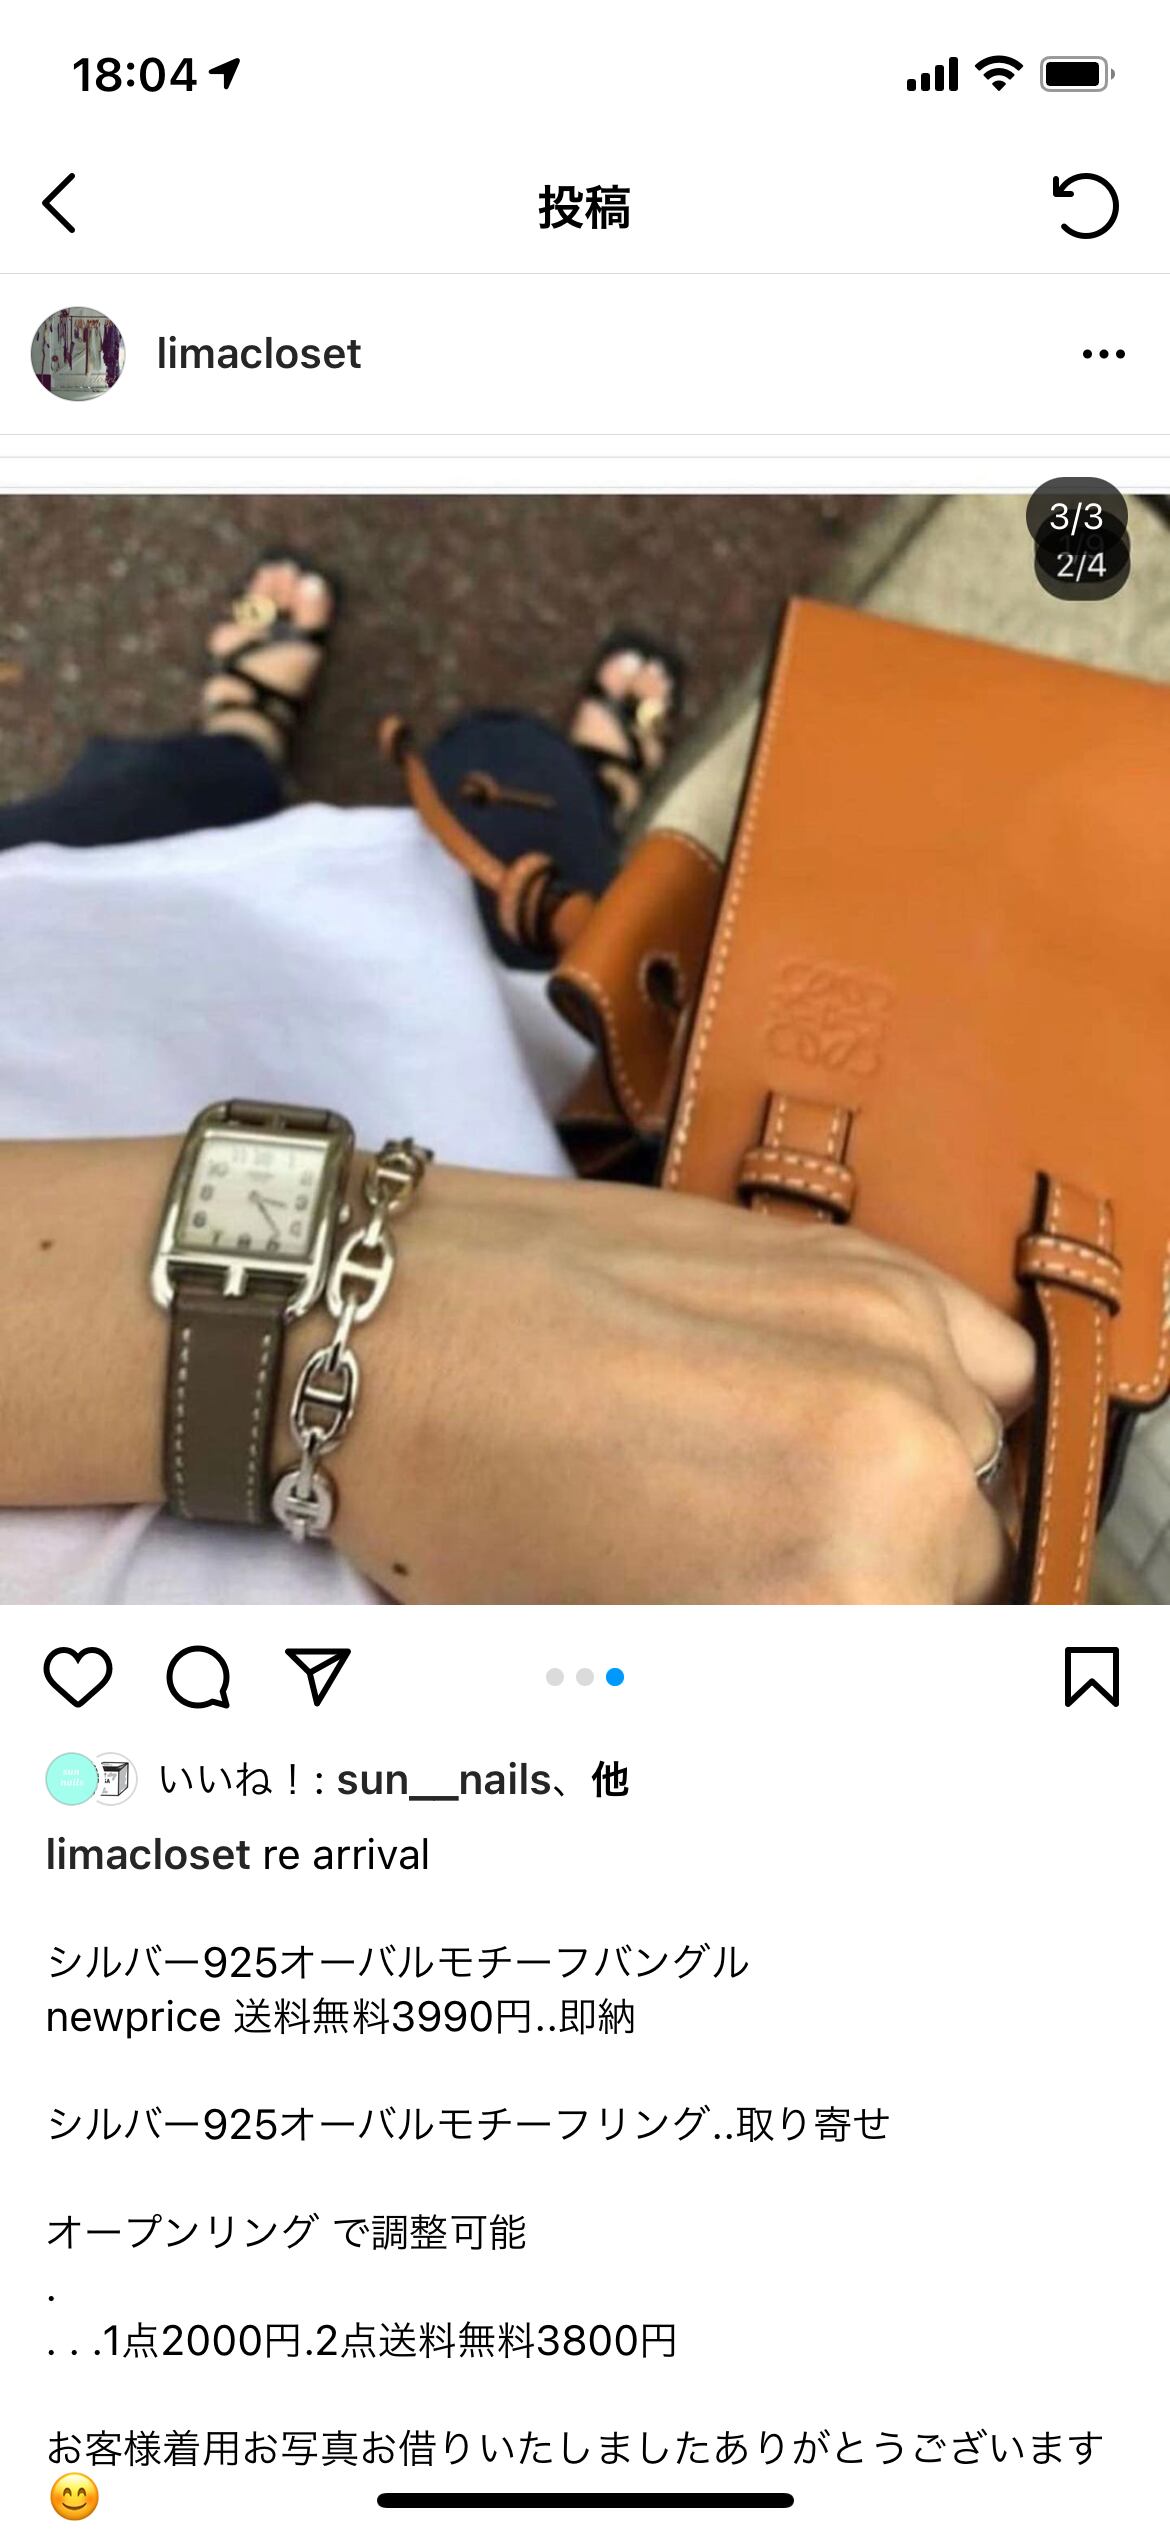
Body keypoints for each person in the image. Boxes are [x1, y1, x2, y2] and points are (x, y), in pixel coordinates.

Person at [0, 560, 1031, 1605]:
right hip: (533, 1153)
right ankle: (571, 798)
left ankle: (237, 733)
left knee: (158, 811)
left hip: (67, 1006)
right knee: (523, 804)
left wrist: (388, 1321)